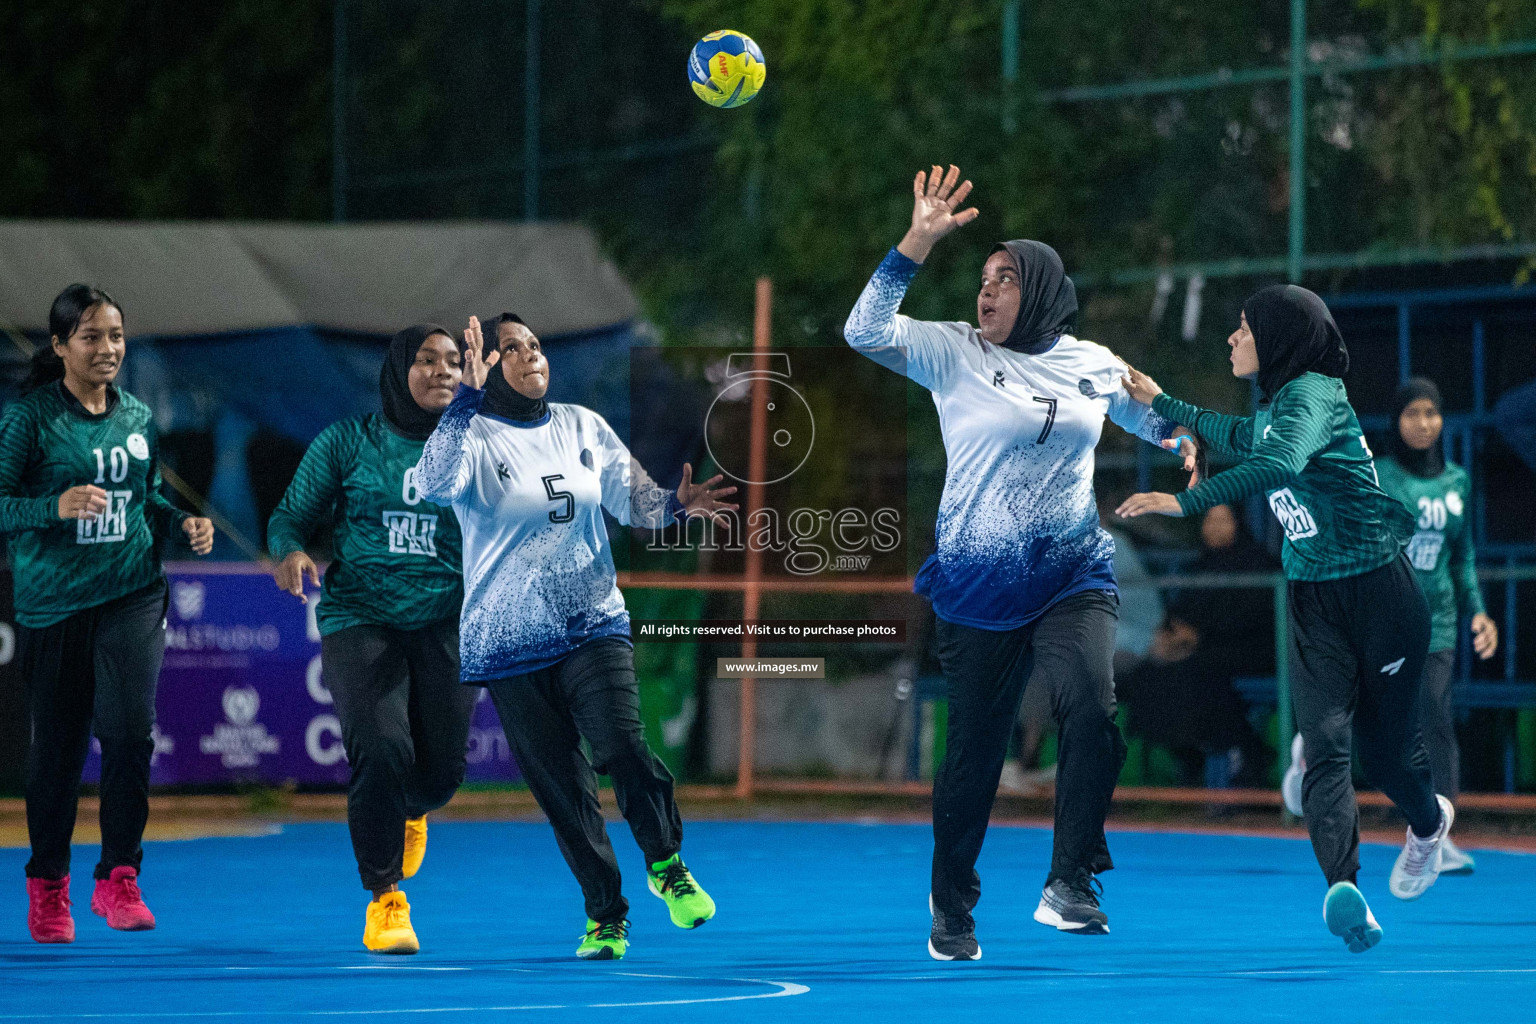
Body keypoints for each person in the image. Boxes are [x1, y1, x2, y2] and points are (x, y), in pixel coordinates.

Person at [843, 165, 1197, 959]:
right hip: (976, 585)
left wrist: (1187, 442)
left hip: (1073, 573)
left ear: (1039, 290)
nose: (987, 291)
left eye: (1005, 279)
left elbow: (1160, 420)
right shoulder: (952, 354)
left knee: (1092, 707)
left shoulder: (1090, 364)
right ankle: (952, 907)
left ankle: (1070, 879)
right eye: (982, 278)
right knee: (972, 758)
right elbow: (863, 331)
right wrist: (916, 242)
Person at [1118, 283, 1454, 953]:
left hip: (1382, 597)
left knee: (1384, 759)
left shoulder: (1315, 397)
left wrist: (1180, 504)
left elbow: (1275, 461)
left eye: (1243, 329)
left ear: (1276, 339)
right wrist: (1163, 403)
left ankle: (1428, 825)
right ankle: (1344, 886)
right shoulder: (1276, 406)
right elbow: (1245, 436)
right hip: (1314, 602)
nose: (1232, 339)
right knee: (1325, 743)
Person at [414, 313, 736, 961]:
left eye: (535, 345)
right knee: (564, 791)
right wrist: (464, 405)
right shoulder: (473, 435)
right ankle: (605, 915)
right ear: (489, 368)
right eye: (512, 349)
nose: (530, 356)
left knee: (621, 743)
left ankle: (665, 863)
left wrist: (674, 506)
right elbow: (432, 483)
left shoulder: (582, 425)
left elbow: (632, 500)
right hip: (506, 642)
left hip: (592, 621)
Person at [0, 284, 214, 944]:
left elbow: (146, 497)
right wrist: (52, 508)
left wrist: (184, 522)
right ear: (61, 346)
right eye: (91, 337)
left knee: (127, 733)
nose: (108, 349)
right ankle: (49, 886)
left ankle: (120, 876)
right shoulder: (29, 420)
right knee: (57, 756)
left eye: (116, 336)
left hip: (133, 593)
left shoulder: (138, 418)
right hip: (54, 604)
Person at [267, 324, 477, 954]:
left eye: (452, 362)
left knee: (441, 774)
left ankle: (411, 809)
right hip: (361, 617)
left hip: (446, 620)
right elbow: (289, 517)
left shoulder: (478, 447)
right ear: (396, 371)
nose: (442, 371)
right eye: (426, 361)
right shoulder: (348, 442)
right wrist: (290, 552)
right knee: (381, 750)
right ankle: (386, 900)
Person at [1375, 376, 1497, 874]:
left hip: (1439, 624)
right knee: (1383, 727)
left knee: (1435, 720)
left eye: (1432, 413)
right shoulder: (1378, 474)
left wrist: (1480, 612)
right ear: (1396, 421)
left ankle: (1437, 834)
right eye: (1412, 414)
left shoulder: (1457, 481)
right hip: (1386, 623)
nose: (1424, 423)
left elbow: (1461, 556)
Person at [1115, 505, 1275, 787]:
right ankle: (1187, 756)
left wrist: (1201, 637)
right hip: (1199, 652)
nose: (1214, 527)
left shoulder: (1260, 563)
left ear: (1239, 524)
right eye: (1209, 520)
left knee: (1197, 674)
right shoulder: (1199, 565)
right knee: (1150, 673)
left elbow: (1255, 618)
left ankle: (1248, 753)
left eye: (1223, 520)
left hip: (1250, 650)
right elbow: (1179, 615)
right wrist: (1169, 637)